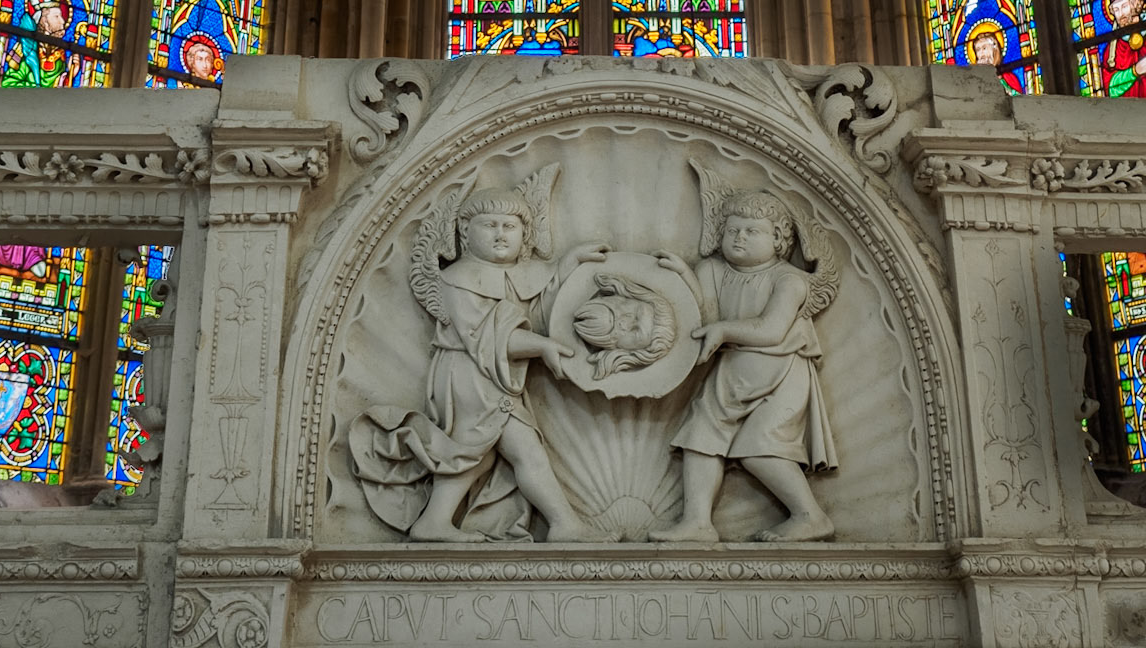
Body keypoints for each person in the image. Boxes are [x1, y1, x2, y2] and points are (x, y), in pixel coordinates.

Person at [349, 188, 607, 542]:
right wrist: (542, 346)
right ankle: (563, 523)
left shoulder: (510, 277)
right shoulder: (460, 279)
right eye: (489, 225)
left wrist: (568, 266)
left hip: (492, 380)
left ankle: (436, 521)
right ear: (465, 233)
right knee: (514, 449)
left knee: (479, 454)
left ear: (525, 235)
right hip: (467, 376)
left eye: (510, 226)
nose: (501, 234)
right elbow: (488, 335)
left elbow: (536, 312)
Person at [652, 192, 836, 545]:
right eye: (733, 230)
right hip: (731, 374)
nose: (739, 238)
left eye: (752, 231)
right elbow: (704, 317)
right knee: (701, 435)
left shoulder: (789, 280)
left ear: (779, 241)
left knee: (760, 447)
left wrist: (723, 330)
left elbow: (771, 329)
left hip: (780, 375)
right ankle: (697, 522)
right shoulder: (713, 270)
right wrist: (683, 277)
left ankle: (810, 515)